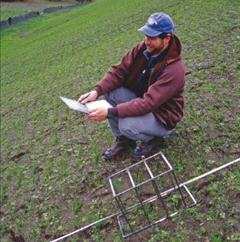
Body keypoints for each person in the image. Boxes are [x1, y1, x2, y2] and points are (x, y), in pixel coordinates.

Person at [78, 12, 186, 160]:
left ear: (166, 38)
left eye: (152, 38)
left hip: (162, 116)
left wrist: (110, 112)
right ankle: (124, 139)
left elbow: (148, 103)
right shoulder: (143, 49)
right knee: (111, 91)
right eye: (146, 36)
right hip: (144, 102)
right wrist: (96, 91)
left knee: (127, 125)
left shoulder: (173, 70)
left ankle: (152, 138)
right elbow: (119, 70)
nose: (146, 41)